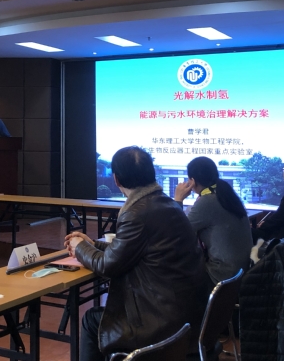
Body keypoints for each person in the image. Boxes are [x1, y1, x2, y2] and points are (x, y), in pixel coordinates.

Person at [65, 146, 205, 361]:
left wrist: (79, 247)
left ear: (116, 179)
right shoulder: (167, 204)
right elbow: (128, 251)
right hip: (184, 315)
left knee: (91, 320)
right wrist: (92, 244)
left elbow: (108, 266)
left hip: (159, 321)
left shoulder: (137, 212)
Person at [174, 156, 253, 294]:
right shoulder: (225, 194)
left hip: (221, 275)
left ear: (192, 181)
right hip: (240, 272)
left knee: (175, 275)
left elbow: (177, 231)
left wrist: (178, 199)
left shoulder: (208, 201)